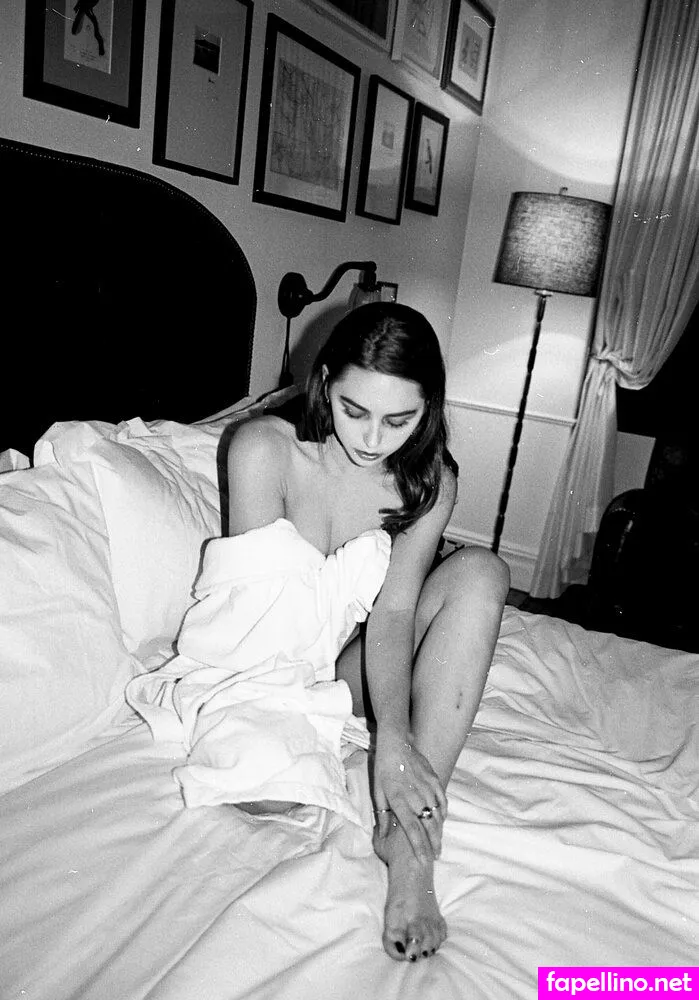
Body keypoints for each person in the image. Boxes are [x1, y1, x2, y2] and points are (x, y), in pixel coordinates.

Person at [226, 302, 509, 963]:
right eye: (355, 411)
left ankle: (408, 847)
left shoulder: (429, 480)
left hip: (349, 669)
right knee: (265, 797)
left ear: (428, 409)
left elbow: (394, 613)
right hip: (268, 660)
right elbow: (255, 617)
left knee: (482, 572)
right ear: (324, 384)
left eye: (399, 420)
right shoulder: (264, 451)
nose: (373, 439)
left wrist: (396, 745)